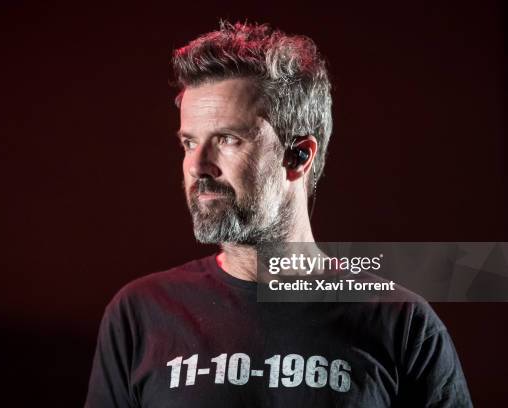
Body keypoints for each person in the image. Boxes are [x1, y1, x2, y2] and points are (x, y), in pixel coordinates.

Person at [84, 21, 472, 407]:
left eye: (227, 140)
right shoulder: (141, 315)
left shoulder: (403, 326)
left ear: (298, 155)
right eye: (189, 142)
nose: (197, 166)